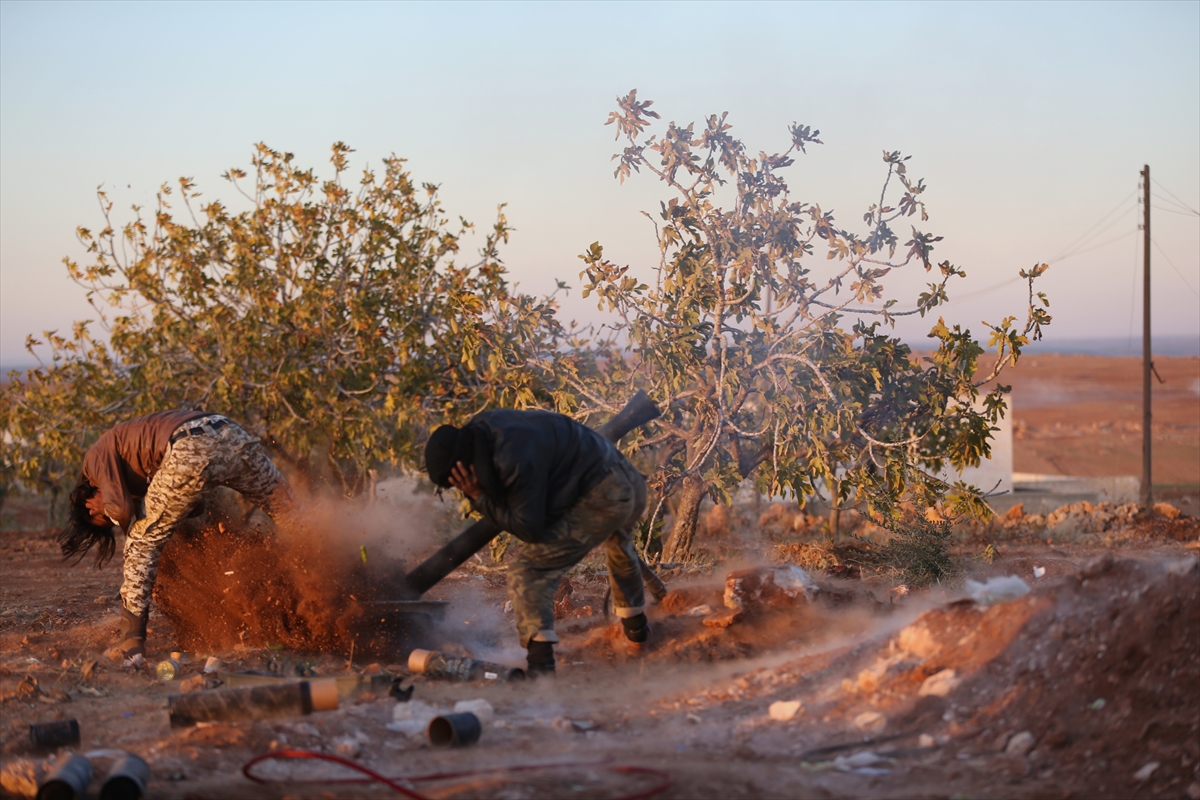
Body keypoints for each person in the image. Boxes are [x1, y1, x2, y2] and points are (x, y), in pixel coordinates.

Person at [424, 409, 650, 676]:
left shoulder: (511, 459)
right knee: (619, 545)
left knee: (528, 570)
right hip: (628, 481)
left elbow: (529, 529)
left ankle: (540, 671)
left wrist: (478, 496)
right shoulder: (486, 427)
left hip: (605, 495)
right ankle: (638, 639)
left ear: (462, 468)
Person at [60, 410, 294, 660]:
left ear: (88, 505)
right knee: (293, 515)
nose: (111, 521)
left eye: (104, 519)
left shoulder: (94, 460)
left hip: (190, 447)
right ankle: (317, 592)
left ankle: (130, 641)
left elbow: (121, 509)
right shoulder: (138, 468)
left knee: (140, 542)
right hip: (233, 435)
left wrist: (115, 516)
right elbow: (192, 506)